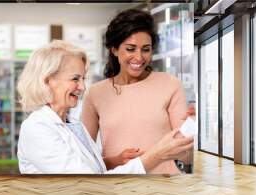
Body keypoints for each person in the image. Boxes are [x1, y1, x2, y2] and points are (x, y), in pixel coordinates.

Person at [16, 40, 193, 174]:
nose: (82, 87)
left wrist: (114, 161)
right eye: (75, 79)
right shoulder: (37, 129)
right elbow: (88, 184)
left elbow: (88, 168)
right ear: (48, 81)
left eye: (83, 79)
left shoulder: (72, 124)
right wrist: (156, 156)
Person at [81, 9, 193, 174]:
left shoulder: (170, 85)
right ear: (114, 49)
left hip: (165, 189)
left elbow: (187, 157)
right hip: (118, 189)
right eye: (131, 49)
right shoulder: (95, 93)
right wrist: (115, 161)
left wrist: (192, 134)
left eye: (146, 49)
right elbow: (84, 160)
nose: (139, 57)